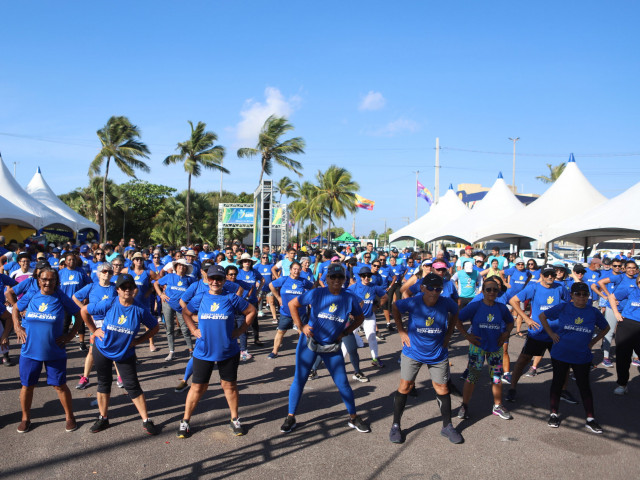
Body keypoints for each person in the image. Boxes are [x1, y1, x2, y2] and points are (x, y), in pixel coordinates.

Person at [281, 263, 370, 434]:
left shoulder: (349, 297)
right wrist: (301, 326)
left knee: (343, 383)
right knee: (299, 380)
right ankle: (290, 417)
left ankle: (353, 417)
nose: (337, 280)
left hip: (331, 346)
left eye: (340, 277)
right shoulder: (317, 292)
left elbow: (360, 317)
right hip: (309, 342)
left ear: (344, 279)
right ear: (327, 278)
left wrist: (345, 332)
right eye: (333, 277)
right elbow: (293, 304)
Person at [176, 265, 257, 438]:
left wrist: (240, 330)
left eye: (219, 279)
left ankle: (235, 419)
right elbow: (186, 312)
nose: (215, 282)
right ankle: (185, 421)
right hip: (203, 351)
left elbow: (251, 311)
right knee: (198, 387)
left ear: (224, 280)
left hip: (227, 351)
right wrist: (192, 329)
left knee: (229, 385)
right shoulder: (201, 297)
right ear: (207, 278)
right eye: (212, 278)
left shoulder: (230, 298)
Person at [2, 267, 81, 433]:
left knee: (60, 386)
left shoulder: (60, 296)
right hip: (30, 351)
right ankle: (25, 418)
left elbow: (79, 314)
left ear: (56, 281)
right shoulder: (32, 294)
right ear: (38, 280)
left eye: (51, 279)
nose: (47, 282)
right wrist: (17, 326)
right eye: (44, 279)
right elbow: (15, 307)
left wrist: (70, 335)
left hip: (54, 351)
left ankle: (69, 417)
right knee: (27, 386)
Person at [80, 273, 160, 435]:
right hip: (102, 349)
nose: (127, 290)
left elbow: (155, 327)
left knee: (132, 386)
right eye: (124, 287)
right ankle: (103, 418)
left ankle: (146, 420)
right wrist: (94, 330)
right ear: (117, 290)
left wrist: (138, 341)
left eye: (131, 287)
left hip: (125, 352)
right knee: (104, 383)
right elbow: (84, 311)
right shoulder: (109, 303)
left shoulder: (139, 310)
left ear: (135, 289)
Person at [389, 273, 462, 444]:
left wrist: (449, 334)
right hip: (413, 352)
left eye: (438, 289)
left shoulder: (446, 303)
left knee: (442, 388)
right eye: (430, 288)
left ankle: (447, 426)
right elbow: (395, 307)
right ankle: (395, 425)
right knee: (405, 386)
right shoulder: (413, 301)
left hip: (437, 353)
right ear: (422, 288)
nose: (434, 292)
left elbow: (456, 312)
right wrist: (401, 331)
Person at [540, 282, 610, 432]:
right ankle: (553, 414)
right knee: (557, 383)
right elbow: (542, 316)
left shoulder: (593, 312)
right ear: (571, 295)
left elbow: (606, 327)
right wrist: (551, 334)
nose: (582, 297)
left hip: (582, 355)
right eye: (578, 294)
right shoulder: (563, 307)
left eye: (585, 294)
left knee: (584, 386)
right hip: (561, 353)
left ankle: (590, 419)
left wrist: (593, 342)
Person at [506, 266, 572, 403]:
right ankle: (512, 388)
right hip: (537, 331)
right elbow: (513, 300)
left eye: (552, 274)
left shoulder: (560, 288)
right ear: (541, 275)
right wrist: (526, 318)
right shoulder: (533, 288)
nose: (550, 277)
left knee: (563, 363)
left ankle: (563, 390)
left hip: (556, 333)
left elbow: (570, 302)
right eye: (547, 274)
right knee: (523, 360)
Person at [456, 278, 513, 421]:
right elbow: (457, 319)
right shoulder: (475, 306)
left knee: (496, 378)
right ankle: (464, 405)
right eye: (488, 289)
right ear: (483, 291)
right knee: (472, 378)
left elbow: (510, 321)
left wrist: (506, 333)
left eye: (495, 290)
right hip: (477, 348)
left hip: (495, 348)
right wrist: (467, 336)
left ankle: (498, 406)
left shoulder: (501, 307)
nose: (492, 292)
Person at [72, 262, 117, 389]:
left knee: (114, 349)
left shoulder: (115, 287)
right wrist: (85, 310)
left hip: (111, 323)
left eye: (110, 272)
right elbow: (75, 297)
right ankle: (85, 378)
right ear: (98, 274)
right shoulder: (91, 286)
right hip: (95, 324)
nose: (107, 274)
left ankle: (120, 377)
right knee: (92, 350)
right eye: (104, 271)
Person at [268, 261, 313, 359]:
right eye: (294, 269)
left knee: (302, 332)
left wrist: (308, 299)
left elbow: (313, 288)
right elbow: (271, 285)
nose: (296, 271)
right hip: (286, 312)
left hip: (300, 312)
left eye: (298, 269)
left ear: (300, 270)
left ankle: (303, 352)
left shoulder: (303, 281)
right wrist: (278, 298)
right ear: (290, 270)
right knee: (281, 331)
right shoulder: (284, 279)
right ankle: (274, 351)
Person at [155, 258, 196, 361]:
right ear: (176, 267)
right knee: (169, 328)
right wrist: (160, 295)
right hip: (167, 304)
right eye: (179, 265)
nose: (181, 267)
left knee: (185, 328)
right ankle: (171, 351)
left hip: (181, 307)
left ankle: (191, 350)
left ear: (186, 268)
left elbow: (194, 291)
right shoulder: (169, 276)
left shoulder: (189, 279)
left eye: (183, 266)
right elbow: (156, 283)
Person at [348, 266, 388, 367]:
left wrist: (378, 306)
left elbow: (385, 296)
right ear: (360, 276)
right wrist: (349, 312)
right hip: (356, 318)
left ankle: (375, 358)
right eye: (364, 276)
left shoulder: (374, 287)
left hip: (369, 317)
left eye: (368, 275)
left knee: (371, 337)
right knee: (348, 338)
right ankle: (340, 361)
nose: (366, 277)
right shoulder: (354, 287)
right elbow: (345, 297)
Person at [607, 273, 640, 395]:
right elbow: (611, 297)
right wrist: (616, 313)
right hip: (626, 325)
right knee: (622, 357)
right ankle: (622, 384)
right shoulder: (631, 290)